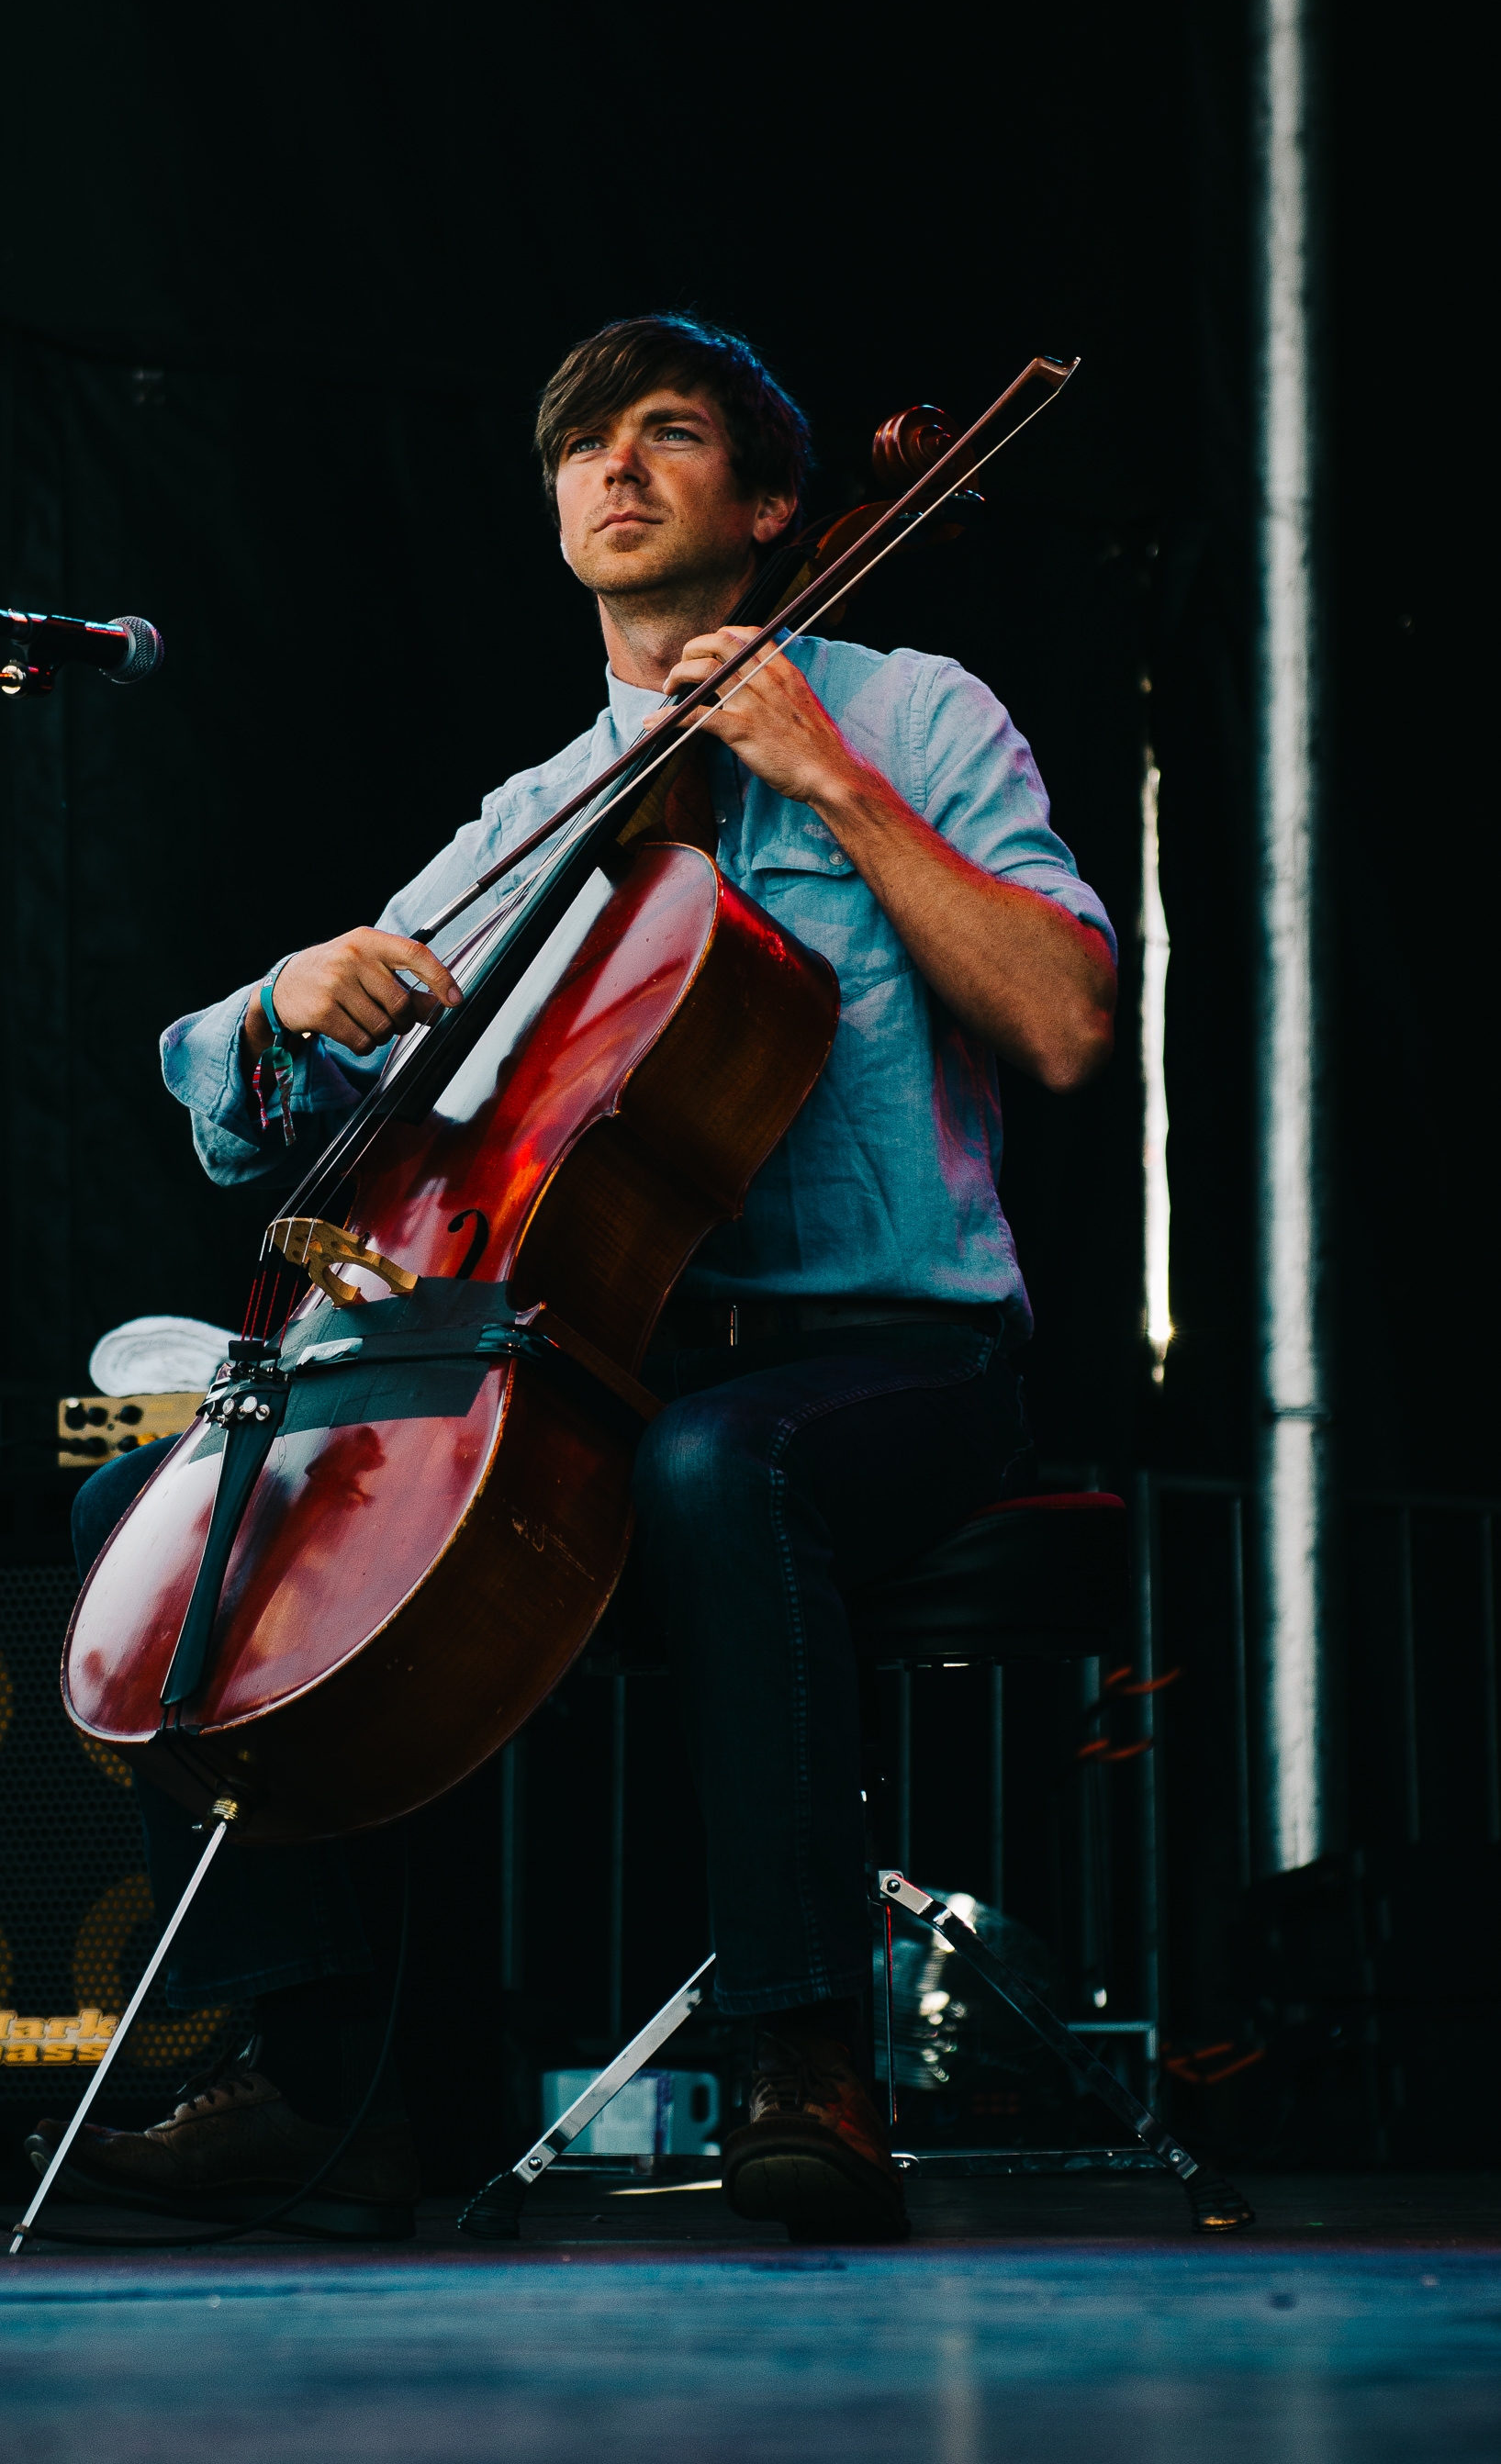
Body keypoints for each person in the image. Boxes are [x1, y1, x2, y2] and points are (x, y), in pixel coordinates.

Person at [60, 313, 1116, 2241]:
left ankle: (809, 2060)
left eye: (670, 432)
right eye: (578, 446)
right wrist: (287, 1003)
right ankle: (336, 2085)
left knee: (728, 1467)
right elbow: (231, 1085)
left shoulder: (919, 714)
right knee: (167, 1503)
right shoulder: (537, 813)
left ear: (777, 500)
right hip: (589, 1367)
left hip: (887, 1358)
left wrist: (830, 781)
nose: (611, 469)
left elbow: (1060, 1021)